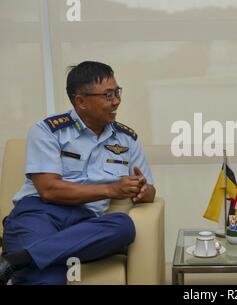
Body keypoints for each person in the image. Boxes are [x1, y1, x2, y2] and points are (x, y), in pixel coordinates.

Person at [0, 61, 156, 285]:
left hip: (86, 222)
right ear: (81, 101)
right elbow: (49, 190)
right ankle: (36, 256)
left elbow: (150, 190)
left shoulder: (127, 139)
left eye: (117, 92)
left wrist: (142, 189)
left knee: (122, 226)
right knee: (48, 278)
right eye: (108, 95)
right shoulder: (47, 131)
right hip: (39, 213)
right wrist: (112, 189)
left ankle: (19, 259)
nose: (116, 101)